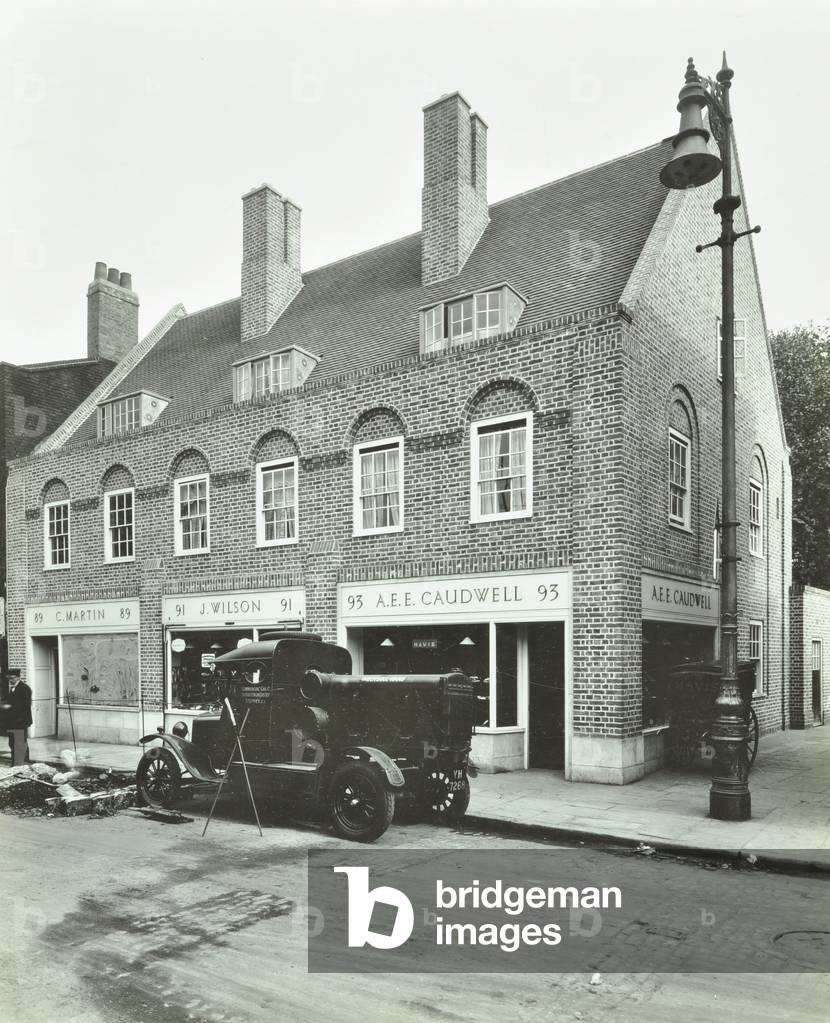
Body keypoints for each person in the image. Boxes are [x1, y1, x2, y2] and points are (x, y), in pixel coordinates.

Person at [5, 669, 32, 766]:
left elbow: (25, 706)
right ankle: (15, 763)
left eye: (12, 678)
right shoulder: (12, 688)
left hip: (20, 721)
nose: (10, 681)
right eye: (9, 679)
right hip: (12, 721)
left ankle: (23, 763)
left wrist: (10, 707)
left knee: (20, 743)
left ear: (18, 677)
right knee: (12, 743)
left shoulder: (24, 688)